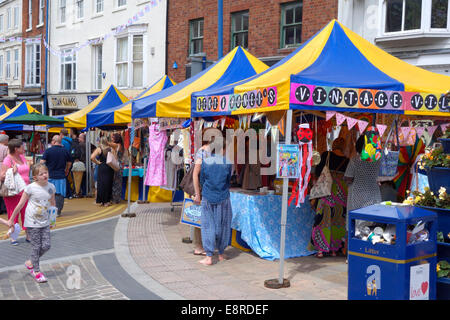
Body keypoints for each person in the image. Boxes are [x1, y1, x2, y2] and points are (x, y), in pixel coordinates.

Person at [8, 163, 56, 283]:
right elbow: (20, 204)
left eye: (46, 172)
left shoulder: (51, 187)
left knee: (46, 245)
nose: (45, 175)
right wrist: (12, 219)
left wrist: (52, 220)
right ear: (35, 177)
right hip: (32, 222)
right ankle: (37, 271)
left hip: (45, 222)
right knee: (36, 247)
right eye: (41, 174)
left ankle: (30, 262)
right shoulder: (30, 188)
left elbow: (53, 203)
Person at [194, 135, 233, 266]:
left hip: (208, 196)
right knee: (223, 225)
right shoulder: (227, 163)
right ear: (222, 148)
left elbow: (202, 180)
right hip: (223, 197)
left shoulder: (206, 162)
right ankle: (221, 253)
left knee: (208, 226)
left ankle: (209, 257)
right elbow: (228, 181)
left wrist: (199, 194)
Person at [310, 137, 349, 258]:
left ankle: (321, 250)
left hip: (327, 191)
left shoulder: (326, 155)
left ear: (334, 145)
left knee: (323, 219)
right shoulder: (347, 160)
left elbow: (317, 173)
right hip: (342, 193)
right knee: (338, 221)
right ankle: (334, 250)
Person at [344, 134, 382, 256]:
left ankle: (353, 253)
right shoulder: (378, 160)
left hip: (357, 195)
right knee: (372, 224)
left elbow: (348, 177)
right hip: (373, 194)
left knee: (355, 224)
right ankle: (371, 251)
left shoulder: (355, 159)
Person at [0, 139, 30, 244]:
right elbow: (1, 176)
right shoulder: (8, 160)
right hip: (13, 192)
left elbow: (26, 172)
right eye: (22, 147)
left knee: (26, 213)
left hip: (25, 190)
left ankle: (28, 235)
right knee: (13, 213)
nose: (24, 148)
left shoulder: (22, 157)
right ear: (16, 149)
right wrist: (11, 171)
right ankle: (13, 237)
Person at [191, 128, 214, 256]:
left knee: (206, 217)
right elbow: (195, 173)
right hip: (201, 189)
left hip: (209, 188)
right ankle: (199, 246)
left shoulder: (213, 151)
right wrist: (197, 193)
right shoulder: (203, 151)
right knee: (199, 217)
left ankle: (205, 245)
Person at [40, 136, 72, 216]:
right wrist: (67, 170)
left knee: (48, 194)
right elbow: (69, 163)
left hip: (49, 176)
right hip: (61, 176)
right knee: (59, 194)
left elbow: (42, 162)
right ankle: (58, 211)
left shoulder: (48, 151)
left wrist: (43, 171)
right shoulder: (65, 151)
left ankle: (48, 210)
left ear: (54, 141)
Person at [91, 137, 114, 206]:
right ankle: (107, 201)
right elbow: (114, 158)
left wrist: (97, 162)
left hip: (101, 167)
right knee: (108, 184)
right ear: (107, 141)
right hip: (109, 167)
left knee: (101, 184)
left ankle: (101, 201)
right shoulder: (110, 149)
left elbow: (92, 157)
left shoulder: (99, 149)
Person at [109, 133, 124, 204]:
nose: (111, 139)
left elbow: (108, 143)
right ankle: (117, 199)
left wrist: (103, 140)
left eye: (112, 138)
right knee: (118, 183)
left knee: (116, 183)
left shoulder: (117, 145)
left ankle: (115, 199)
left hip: (117, 165)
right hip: (119, 165)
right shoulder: (121, 145)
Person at [60, 129, 74, 198]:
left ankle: (68, 193)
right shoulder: (71, 140)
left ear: (61, 134)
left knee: (65, 177)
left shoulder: (62, 141)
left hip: (65, 161)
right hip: (72, 160)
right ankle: (71, 192)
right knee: (69, 177)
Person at [0, 134, 9, 214]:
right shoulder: (6, 148)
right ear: (5, 141)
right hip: (3, 167)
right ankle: (3, 208)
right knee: (3, 188)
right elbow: (8, 158)